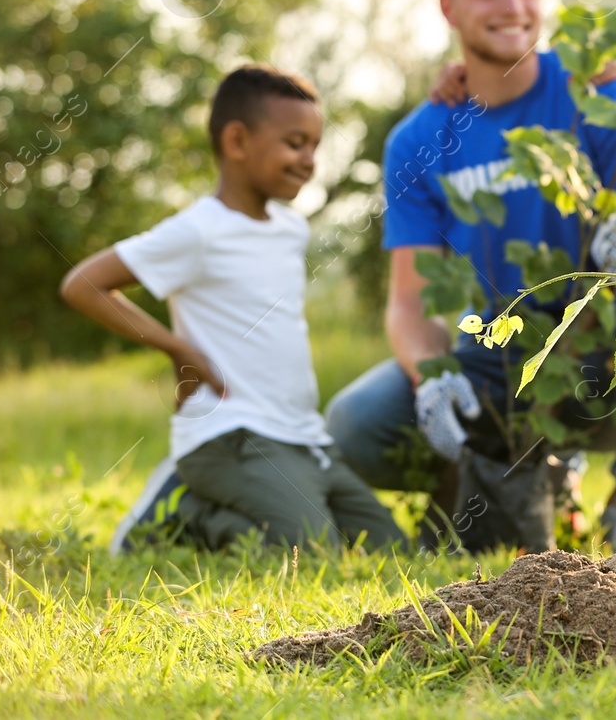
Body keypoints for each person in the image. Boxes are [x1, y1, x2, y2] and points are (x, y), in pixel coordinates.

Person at [323, 0, 616, 561]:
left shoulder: (597, 93)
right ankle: (502, 480)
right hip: (496, 356)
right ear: (449, 8)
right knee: (357, 422)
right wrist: (430, 374)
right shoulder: (419, 139)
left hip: (600, 359)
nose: (514, 6)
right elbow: (408, 304)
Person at [62, 66, 404, 553]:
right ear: (238, 141)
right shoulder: (200, 230)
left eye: (314, 145)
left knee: (392, 549)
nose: (309, 160)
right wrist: (176, 347)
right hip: (231, 434)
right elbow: (83, 285)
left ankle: (250, 500)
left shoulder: (291, 229)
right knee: (313, 553)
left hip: (303, 436)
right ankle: (184, 514)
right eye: (294, 143)